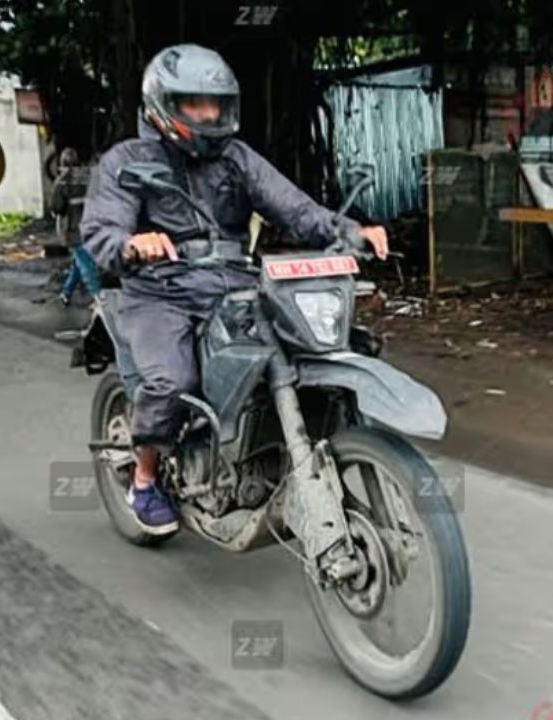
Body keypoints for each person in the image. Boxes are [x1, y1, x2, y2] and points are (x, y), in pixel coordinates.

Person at [80, 44, 388, 535]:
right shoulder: (126, 161)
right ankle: (144, 479)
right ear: (164, 105)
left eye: (214, 105)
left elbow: (295, 207)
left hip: (237, 286)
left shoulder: (237, 159)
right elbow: (100, 232)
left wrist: (349, 231)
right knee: (172, 381)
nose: (207, 114)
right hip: (160, 292)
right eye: (193, 104)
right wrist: (133, 244)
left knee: (321, 345)